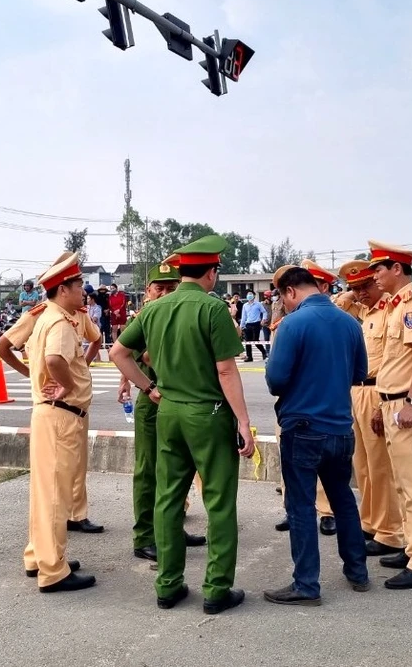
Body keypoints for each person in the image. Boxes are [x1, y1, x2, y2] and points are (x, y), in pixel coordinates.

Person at [110, 234, 254, 615]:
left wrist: (149, 387)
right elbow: (225, 369)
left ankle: (168, 585)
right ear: (211, 272)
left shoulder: (155, 309)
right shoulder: (213, 309)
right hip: (207, 413)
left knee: (168, 497)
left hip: (168, 411)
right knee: (219, 501)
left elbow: (118, 352)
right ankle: (217, 589)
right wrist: (243, 421)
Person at [262, 265, 369, 606]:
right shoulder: (349, 323)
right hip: (340, 428)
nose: (284, 304)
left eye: (283, 297)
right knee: (343, 500)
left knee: (301, 507)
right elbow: (359, 373)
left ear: (290, 291)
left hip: (303, 429)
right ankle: (358, 573)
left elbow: (275, 380)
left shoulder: (293, 323)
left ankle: (306, 584)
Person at [115, 261, 207, 562]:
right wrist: (143, 386)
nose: (165, 292)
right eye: (160, 288)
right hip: (153, 403)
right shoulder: (146, 317)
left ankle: (171, 528)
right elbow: (133, 354)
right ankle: (144, 537)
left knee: (178, 469)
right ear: (148, 291)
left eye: (171, 287)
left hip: (178, 402)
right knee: (149, 471)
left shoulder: (172, 314)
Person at [19, 251, 98, 593]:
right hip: (61, 414)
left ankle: (39, 556)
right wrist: (66, 384)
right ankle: (54, 570)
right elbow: (54, 359)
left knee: (44, 492)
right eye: (79, 284)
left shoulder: (46, 318)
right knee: (55, 495)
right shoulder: (60, 322)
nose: (83, 290)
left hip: (48, 413)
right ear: (63, 289)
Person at [367, 240, 412, 590]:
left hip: (407, 405)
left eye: (379, 268)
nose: (374, 275)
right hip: (392, 403)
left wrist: (410, 403)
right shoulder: (395, 307)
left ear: (397, 268)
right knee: (401, 482)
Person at [336, 260, 405, 557]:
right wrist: (353, 294)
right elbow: (335, 309)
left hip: (378, 391)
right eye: (355, 288)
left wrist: (382, 404)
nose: (360, 293)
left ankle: (389, 531)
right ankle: (371, 522)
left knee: (381, 468)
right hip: (356, 391)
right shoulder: (365, 311)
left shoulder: (391, 310)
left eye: (365, 285)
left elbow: (393, 360)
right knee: (362, 466)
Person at [240, 290, 268, 362]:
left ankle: (264, 352)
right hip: (248, 324)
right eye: (248, 294)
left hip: (256, 324)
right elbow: (243, 316)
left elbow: (264, 312)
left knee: (255, 340)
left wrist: (263, 319)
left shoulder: (258, 304)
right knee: (247, 341)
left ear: (254, 296)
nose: (249, 295)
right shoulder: (245, 305)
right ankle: (249, 357)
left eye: (251, 294)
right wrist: (241, 326)